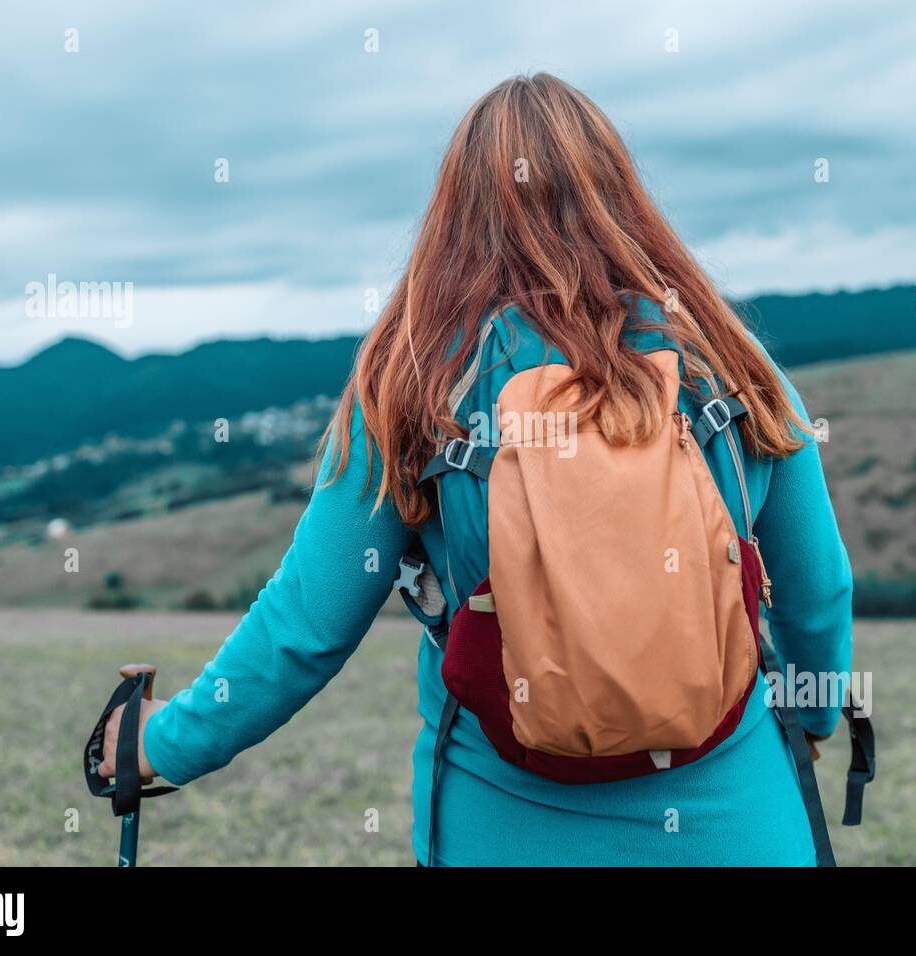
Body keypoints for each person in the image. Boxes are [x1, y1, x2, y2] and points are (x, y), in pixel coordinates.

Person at [96, 73, 853, 866]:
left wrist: (155, 748)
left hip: (501, 829)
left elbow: (306, 626)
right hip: (738, 828)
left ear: (455, 211)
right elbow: (818, 586)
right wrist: (816, 709)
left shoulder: (415, 380)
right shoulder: (728, 365)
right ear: (618, 191)